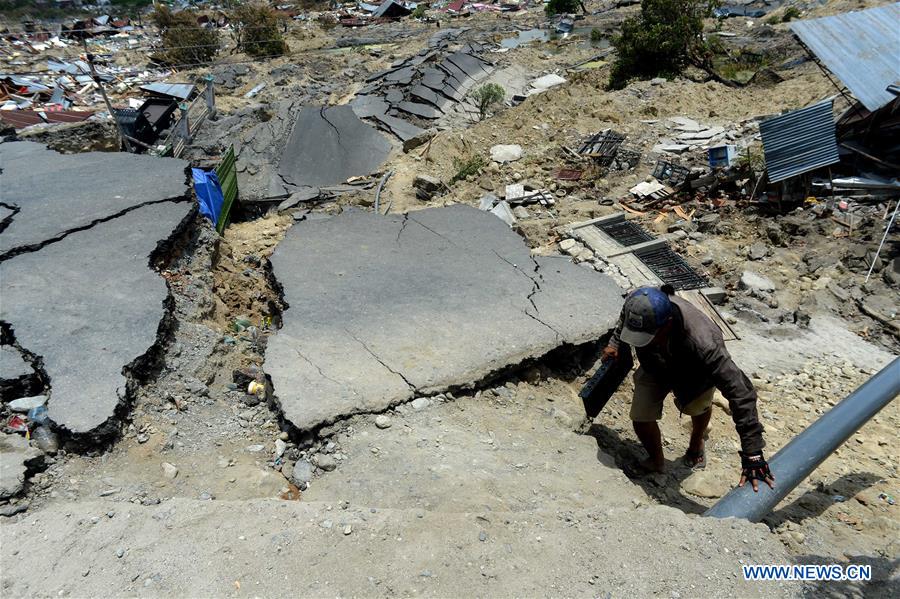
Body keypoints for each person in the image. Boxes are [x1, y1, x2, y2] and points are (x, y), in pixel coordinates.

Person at [602, 285, 775, 492]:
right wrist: (614, 343)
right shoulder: (638, 303)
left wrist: (753, 453)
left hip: (695, 372)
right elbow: (625, 318)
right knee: (640, 416)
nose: (642, 340)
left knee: (697, 408)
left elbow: (741, 393)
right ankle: (656, 461)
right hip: (654, 365)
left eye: (648, 335)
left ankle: (696, 445)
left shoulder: (705, 344)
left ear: (667, 324)